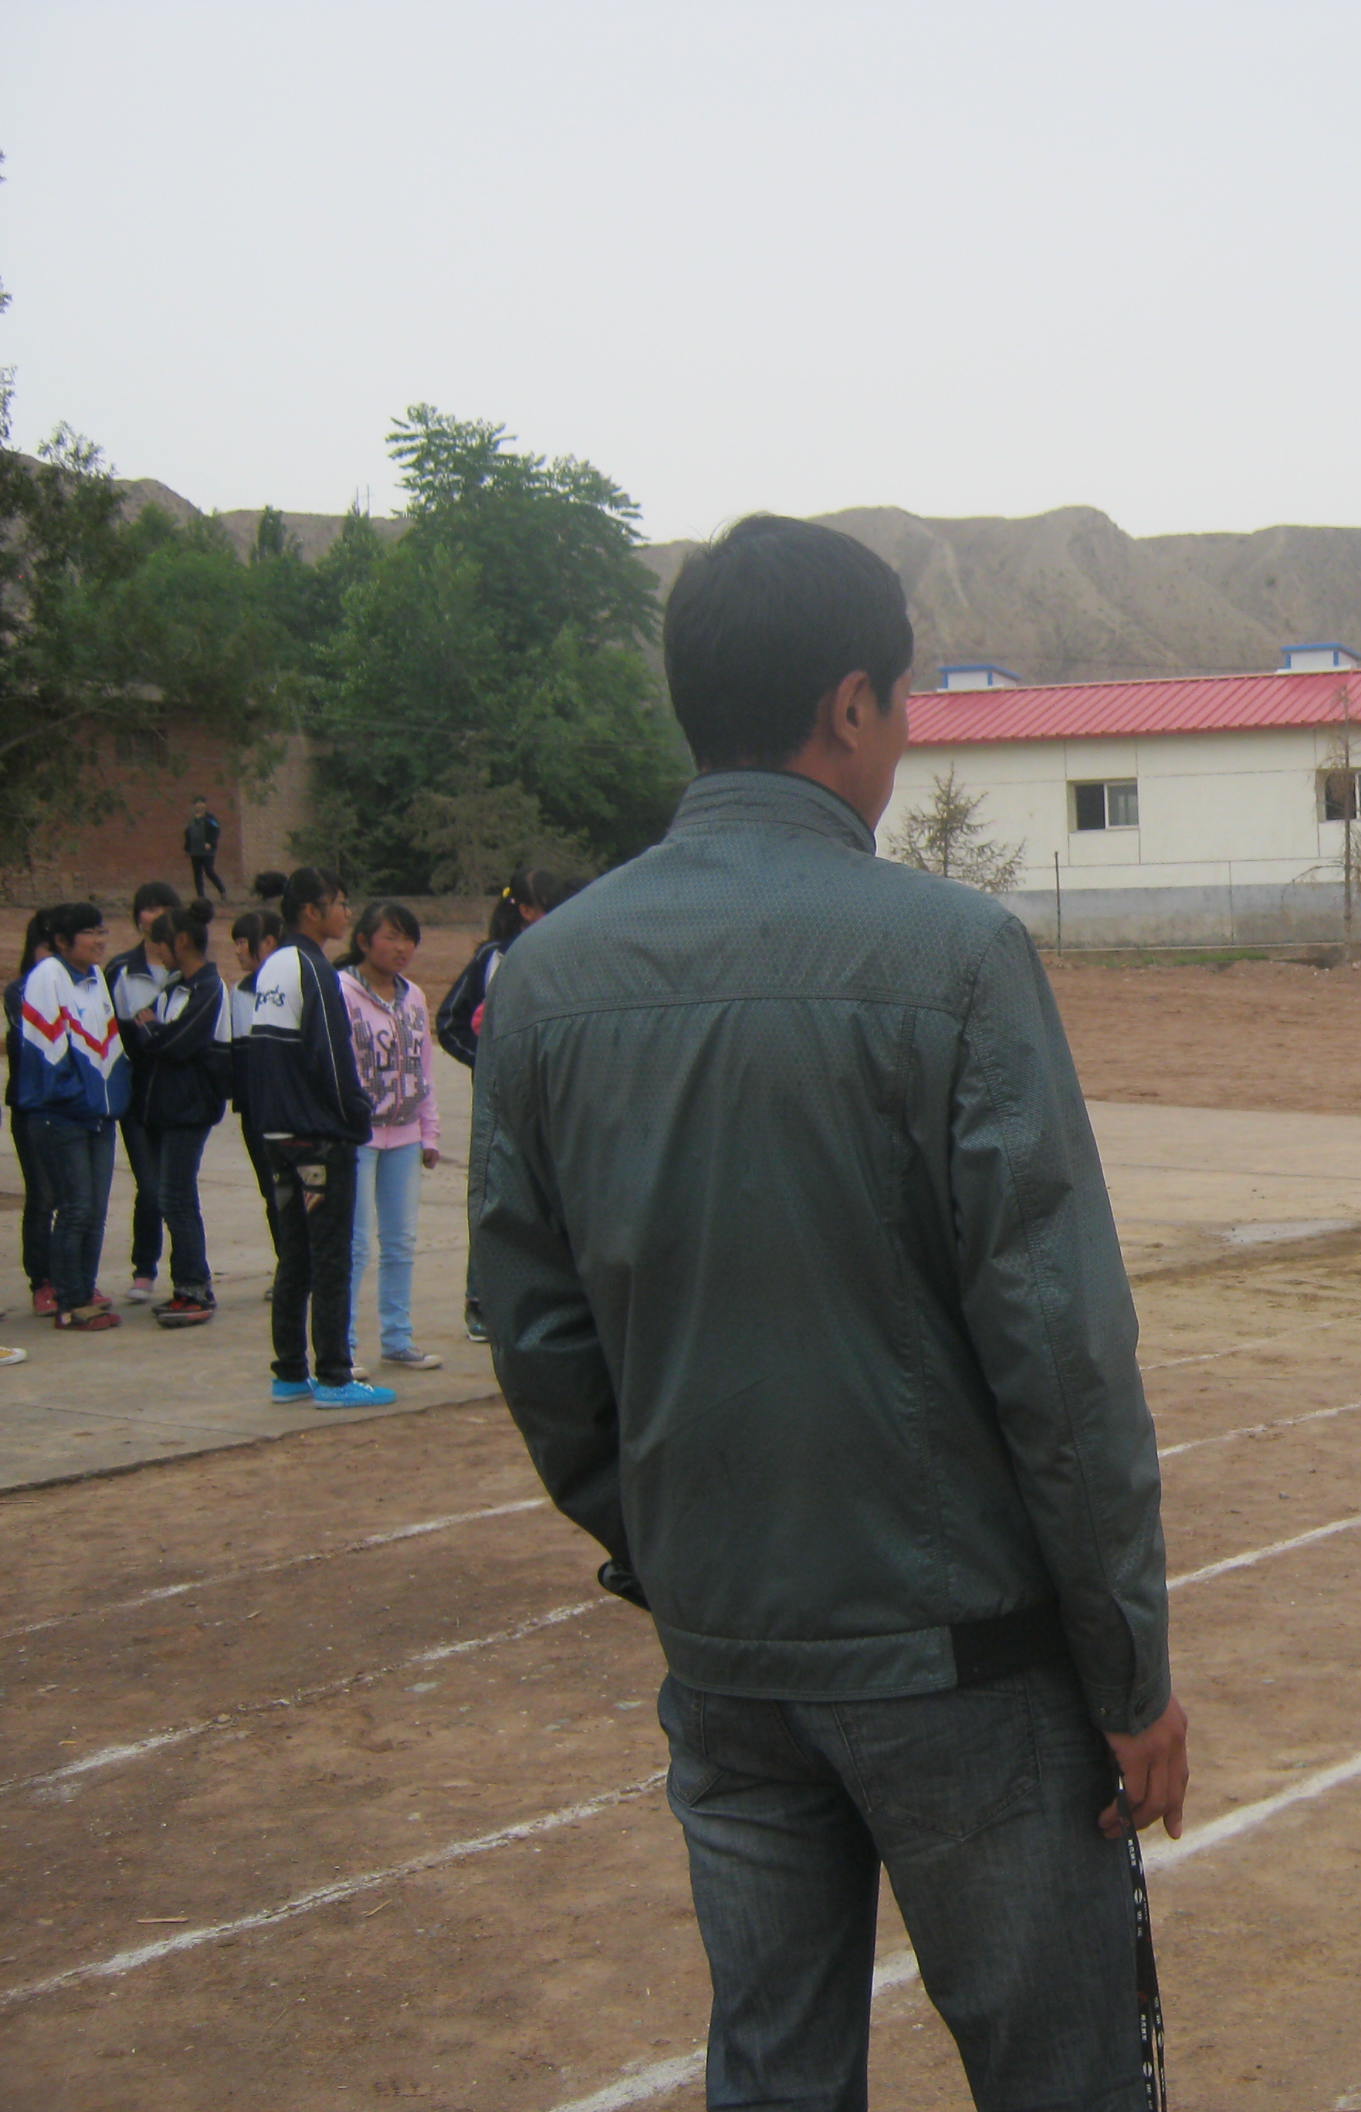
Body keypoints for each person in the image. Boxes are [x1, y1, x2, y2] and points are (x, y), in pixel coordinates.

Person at [472, 513, 1185, 2112]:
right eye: (903, 700)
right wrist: (1130, 1674)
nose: (905, 732)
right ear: (850, 706)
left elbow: (536, 1338)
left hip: (731, 1657)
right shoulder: (958, 957)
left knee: (775, 2064)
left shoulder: (550, 982)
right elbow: (1062, 1355)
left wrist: (674, 1550)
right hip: (965, 1664)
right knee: (1062, 2071)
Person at [244, 867, 394, 1408]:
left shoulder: (272, 965)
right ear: (312, 910)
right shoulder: (313, 968)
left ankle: (289, 1371)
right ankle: (334, 1375)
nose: (346, 912)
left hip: (278, 1133)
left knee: (295, 1255)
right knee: (330, 1256)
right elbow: (331, 1056)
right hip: (317, 1138)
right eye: (339, 902)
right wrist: (355, 1116)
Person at [440, 869, 572, 1344]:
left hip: (554, 1097)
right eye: (547, 906)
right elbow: (450, 1021)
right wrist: (488, 1064)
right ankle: (480, 1300)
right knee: (497, 1194)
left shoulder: (568, 952)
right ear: (525, 911)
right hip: (501, 1103)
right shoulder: (493, 959)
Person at [13, 903, 132, 1333]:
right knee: (75, 1207)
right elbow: (47, 1054)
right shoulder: (48, 977)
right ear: (63, 941)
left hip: (98, 1116)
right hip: (60, 1116)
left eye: (102, 931)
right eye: (90, 933)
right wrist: (81, 1099)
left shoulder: (95, 977)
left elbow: (110, 1046)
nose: (100, 941)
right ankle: (69, 1302)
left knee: (95, 1211)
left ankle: (85, 1293)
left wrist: (113, 1100)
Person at [340, 900, 442, 1373]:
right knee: (356, 1244)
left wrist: (429, 1131)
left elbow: (424, 1067)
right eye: (391, 937)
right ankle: (342, 1345)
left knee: (400, 1242)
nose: (402, 948)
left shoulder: (414, 996)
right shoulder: (340, 991)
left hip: (403, 1135)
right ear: (364, 941)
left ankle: (398, 1338)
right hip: (357, 1136)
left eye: (409, 939)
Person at [122, 900, 232, 1327]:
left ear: (181, 941)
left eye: (161, 943)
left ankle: (195, 1287)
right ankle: (187, 1284)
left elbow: (177, 1043)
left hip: (190, 1110)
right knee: (171, 1196)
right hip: (168, 1110)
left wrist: (152, 1028)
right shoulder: (175, 987)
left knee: (177, 1198)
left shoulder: (209, 989)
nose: (157, 952)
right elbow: (155, 1035)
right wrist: (155, 1031)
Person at [107, 879, 185, 1302]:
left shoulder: (189, 971)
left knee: (178, 1188)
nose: (154, 916)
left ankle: (189, 1272)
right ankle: (144, 1268)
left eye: (162, 908)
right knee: (150, 1186)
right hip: (138, 1097)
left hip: (179, 1097)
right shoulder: (120, 971)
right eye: (147, 908)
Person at [226, 910, 285, 1298]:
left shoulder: (293, 988)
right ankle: (288, 1264)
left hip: (288, 1109)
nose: (237, 951)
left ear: (268, 944)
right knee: (272, 1192)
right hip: (255, 1110)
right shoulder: (239, 993)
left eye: (243, 942)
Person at [8, 912, 58, 1321]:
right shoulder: (19, 992)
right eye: (46, 949)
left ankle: (74, 1276)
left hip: (71, 1107)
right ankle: (42, 1280)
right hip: (31, 1107)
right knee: (42, 1196)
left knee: (77, 1199)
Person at [185, 798, 229, 901]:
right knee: (197, 873)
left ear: (205, 805)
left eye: (201, 803)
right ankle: (201, 896)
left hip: (208, 851)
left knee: (209, 871)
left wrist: (210, 842)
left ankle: (222, 890)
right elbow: (188, 834)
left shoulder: (210, 818)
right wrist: (187, 848)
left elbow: (216, 830)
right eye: (197, 803)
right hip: (195, 850)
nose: (199, 805)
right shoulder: (192, 820)